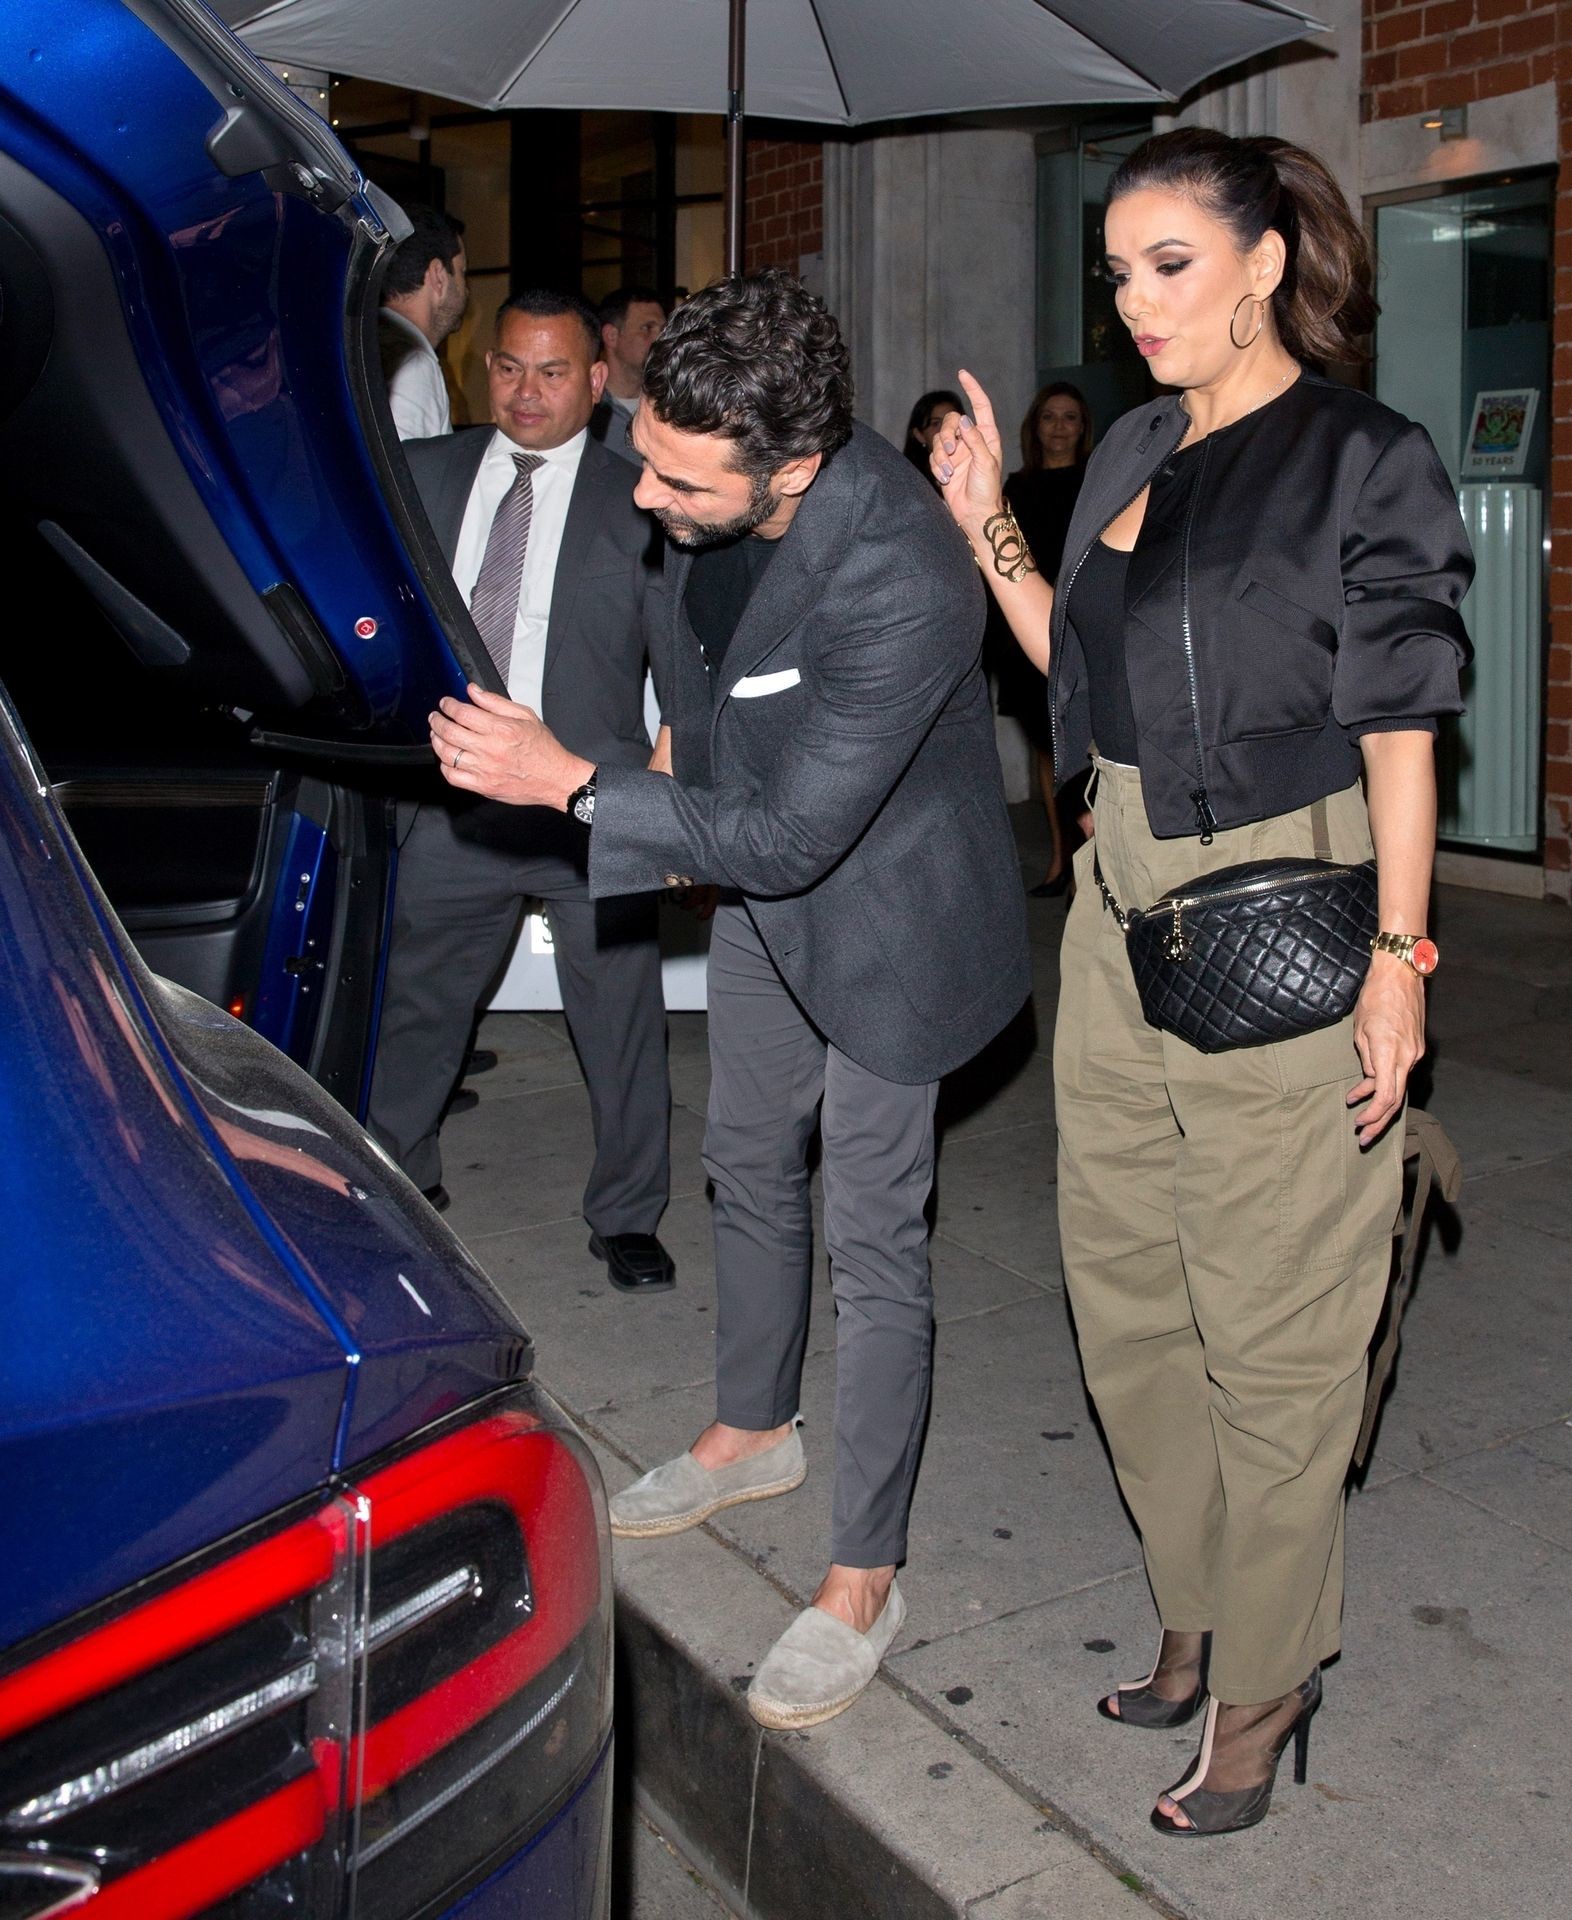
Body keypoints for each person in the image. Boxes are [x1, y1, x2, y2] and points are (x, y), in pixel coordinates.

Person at [931, 129, 1471, 1835]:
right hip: (1117, 901)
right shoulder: (1131, 449)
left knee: (1276, 1317)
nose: (1133, 302)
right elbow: (1074, 677)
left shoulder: (1359, 458)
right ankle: (1197, 1599)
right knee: (1126, 1290)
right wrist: (984, 525)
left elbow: (1401, 725)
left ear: (1262, 262)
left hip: (1289, 890)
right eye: (1115, 272)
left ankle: (1270, 1670)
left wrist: (1398, 960)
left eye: (1168, 264)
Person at [426, 270, 1031, 1730]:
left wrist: (574, 783)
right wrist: (663, 758)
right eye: (644, 454)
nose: (644, 494)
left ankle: (865, 1576)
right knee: (745, 1155)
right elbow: (707, 683)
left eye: (680, 480)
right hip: (764, 882)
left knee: (873, 1234)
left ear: (794, 470)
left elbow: (797, 835)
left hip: (889, 918)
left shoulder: (903, 571)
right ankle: (754, 1426)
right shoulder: (701, 491)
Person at [367, 288, 676, 1297]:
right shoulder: (422, 474)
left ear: (597, 378)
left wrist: (671, 805)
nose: (527, 391)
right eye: (508, 367)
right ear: (482, 370)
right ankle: (398, 1185)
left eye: (552, 371)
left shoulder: (644, 494)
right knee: (418, 1007)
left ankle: (627, 1213)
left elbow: (684, 663)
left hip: (591, 801)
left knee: (619, 1019)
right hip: (455, 798)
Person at [995, 383, 1095, 896]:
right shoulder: (1015, 487)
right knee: (1043, 746)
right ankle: (1060, 861)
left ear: (1083, 428)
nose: (1059, 427)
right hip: (1025, 632)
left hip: (1080, 630)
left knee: (1081, 749)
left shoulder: (1097, 482)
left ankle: (1087, 868)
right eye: (1049, 417)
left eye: (1070, 417)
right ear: (1035, 427)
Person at [378, 205, 468, 440]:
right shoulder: (413, 364)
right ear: (438, 276)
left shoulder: (363, 342)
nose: (466, 291)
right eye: (462, 273)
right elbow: (405, 461)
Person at [588, 285, 668, 464]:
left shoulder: (670, 405)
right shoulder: (585, 410)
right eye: (647, 328)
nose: (660, 340)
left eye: (663, 330)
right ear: (611, 336)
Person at [900, 389, 965, 486]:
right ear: (919, 435)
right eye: (935, 423)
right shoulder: (908, 479)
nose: (945, 428)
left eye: (951, 421)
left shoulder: (975, 465)